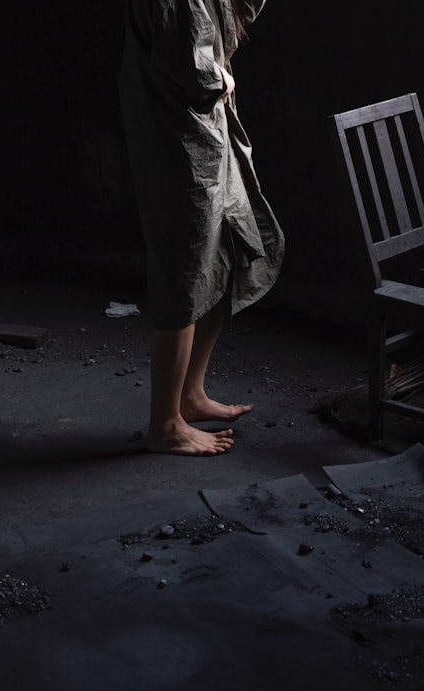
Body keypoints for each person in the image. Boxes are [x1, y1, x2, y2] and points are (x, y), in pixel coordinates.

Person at [118, 0, 284, 455]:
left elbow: (234, 16)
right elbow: (192, 70)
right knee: (186, 268)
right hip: (176, 135)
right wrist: (223, 78)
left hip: (201, 127)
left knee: (223, 254)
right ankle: (165, 426)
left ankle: (189, 395)